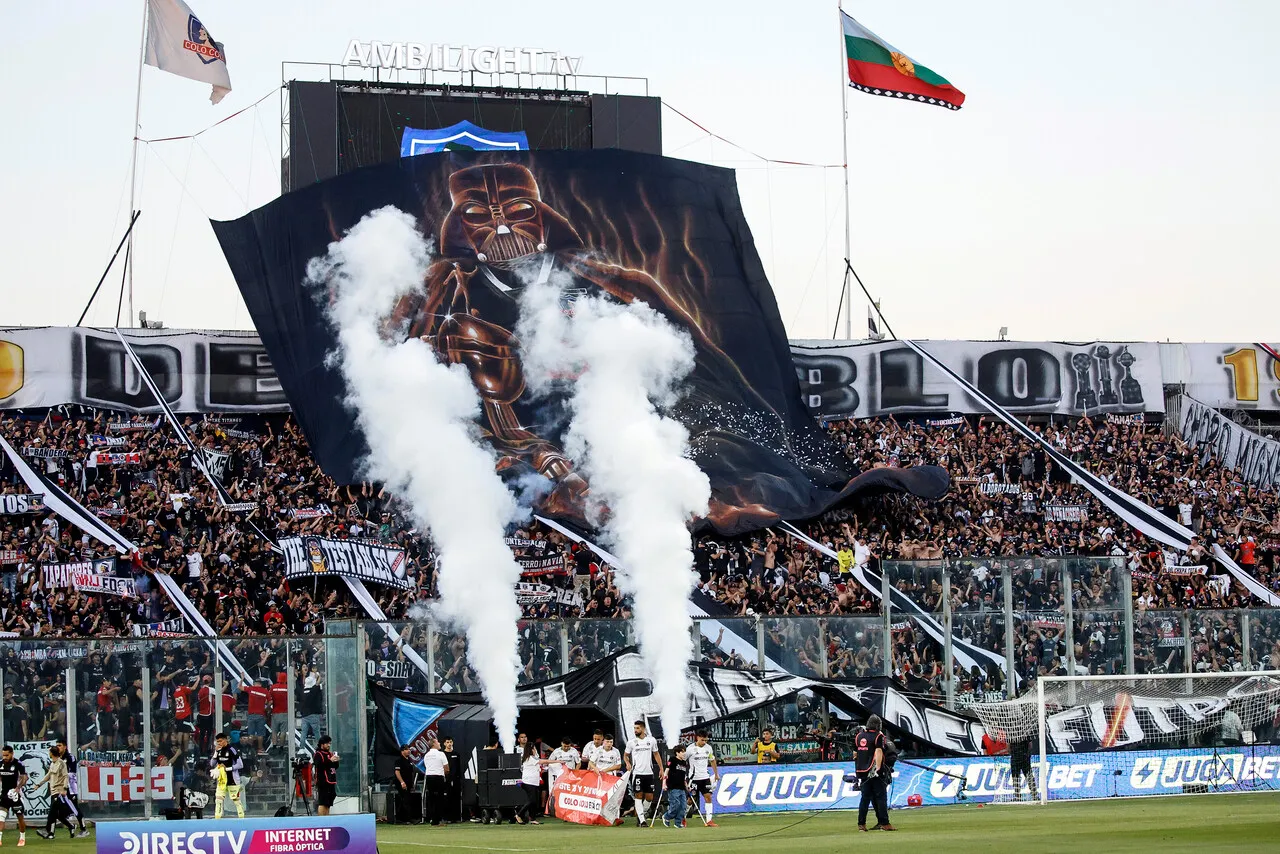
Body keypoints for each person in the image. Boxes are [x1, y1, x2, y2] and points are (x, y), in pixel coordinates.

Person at [854, 716, 893, 832]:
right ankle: (884, 823)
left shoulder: (859, 736)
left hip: (862, 771)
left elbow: (855, 754)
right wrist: (878, 769)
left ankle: (861, 824)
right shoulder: (878, 736)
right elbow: (878, 752)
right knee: (881, 797)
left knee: (865, 798)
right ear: (878, 725)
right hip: (874, 771)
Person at [624, 721, 662, 827]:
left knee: (649, 797)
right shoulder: (631, 742)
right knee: (638, 795)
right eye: (635, 728)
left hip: (649, 773)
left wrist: (661, 769)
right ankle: (642, 820)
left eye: (637, 728)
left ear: (643, 729)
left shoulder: (651, 740)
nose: (635, 730)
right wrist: (627, 762)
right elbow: (625, 755)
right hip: (637, 773)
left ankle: (641, 814)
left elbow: (656, 754)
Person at [33, 746, 75, 840]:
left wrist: (64, 789)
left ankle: (49, 832)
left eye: (49, 751)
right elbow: (48, 775)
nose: (49, 753)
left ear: (52, 753)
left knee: (52, 812)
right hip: (53, 791)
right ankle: (70, 826)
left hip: (59, 791)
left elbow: (65, 776)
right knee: (57, 815)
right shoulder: (53, 763)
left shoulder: (61, 763)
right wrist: (39, 784)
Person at [53, 740, 88, 837]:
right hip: (60, 788)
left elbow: (72, 774)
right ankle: (70, 826)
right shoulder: (57, 758)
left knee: (75, 809)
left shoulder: (70, 757)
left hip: (70, 788)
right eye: (56, 746)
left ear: (65, 747)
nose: (58, 747)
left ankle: (84, 829)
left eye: (59, 745)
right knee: (57, 812)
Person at [686, 730, 719, 826]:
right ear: (697, 738)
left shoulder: (708, 748)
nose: (704, 742)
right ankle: (682, 818)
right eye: (702, 740)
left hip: (705, 777)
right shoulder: (690, 749)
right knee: (690, 800)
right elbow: (683, 760)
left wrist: (716, 774)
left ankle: (709, 820)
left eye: (706, 740)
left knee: (708, 797)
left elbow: (712, 760)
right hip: (694, 778)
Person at [210, 733, 245, 819]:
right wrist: (215, 754)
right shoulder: (218, 750)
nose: (219, 743)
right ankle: (217, 818)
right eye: (217, 741)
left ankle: (242, 818)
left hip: (232, 778)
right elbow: (212, 764)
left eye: (221, 741)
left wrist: (227, 768)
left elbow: (240, 765)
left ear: (226, 740)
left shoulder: (232, 750)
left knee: (236, 800)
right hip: (221, 779)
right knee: (218, 799)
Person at [0, 745, 29, 847]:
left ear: (12, 754)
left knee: (20, 817)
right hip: (4, 795)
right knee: (1, 817)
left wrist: (18, 788)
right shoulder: (1, 764)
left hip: (15, 795)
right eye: (3, 755)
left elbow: (25, 777)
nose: (4, 757)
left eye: (7, 755)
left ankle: (22, 838)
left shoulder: (18, 764)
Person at [546, 737, 580, 817]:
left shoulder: (574, 751)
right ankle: (557, 811)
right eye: (565, 746)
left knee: (570, 793)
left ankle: (569, 812)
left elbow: (578, 763)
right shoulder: (556, 751)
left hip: (570, 776)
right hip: (559, 776)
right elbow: (550, 762)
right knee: (559, 793)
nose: (566, 748)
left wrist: (575, 772)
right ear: (561, 743)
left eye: (568, 746)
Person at [515, 740, 547, 826]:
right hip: (528, 782)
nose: (535, 750)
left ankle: (532, 818)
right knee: (531, 800)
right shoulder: (529, 758)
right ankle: (518, 815)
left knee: (534, 801)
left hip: (534, 782)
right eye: (533, 749)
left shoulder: (533, 757)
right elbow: (543, 762)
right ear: (530, 750)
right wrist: (557, 761)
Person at [661, 744, 688, 829]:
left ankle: (678, 822)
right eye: (682, 752)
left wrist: (686, 785)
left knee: (683, 806)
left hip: (682, 787)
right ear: (677, 753)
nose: (684, 753)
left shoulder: (684, 763)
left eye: (684, 752)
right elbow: (666, 771)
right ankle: (667, 816)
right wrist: (664, 783)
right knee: (675, 804)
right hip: (673, 786)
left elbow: (683, 776)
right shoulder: (672, 760)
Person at [393, 744, 421, 824]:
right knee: (405, 800)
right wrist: (402, 782)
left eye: (409, 749)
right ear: (402, 751)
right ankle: (408, 819)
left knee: (407, 800)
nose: (408, 750)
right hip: (402, 784)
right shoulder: (398, 761)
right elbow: (397, 772)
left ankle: (402, 819)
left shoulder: (409, 761)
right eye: (406, 749)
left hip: (408, 784)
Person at [313, 736, 339, 816]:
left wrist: (336, 761)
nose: (329, 745)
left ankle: (327, 818)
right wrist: (330, 760)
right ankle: (321, 820)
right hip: (323, 781)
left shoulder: (330, 754)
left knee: (328, 802)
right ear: (322, 744)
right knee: (323, 802)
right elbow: (320, 766)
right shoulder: (318, 754)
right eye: (327, 743)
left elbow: (334, 767)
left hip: (331, 780)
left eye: (330, 743)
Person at [1009, 733, 1037, 802]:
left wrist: (1013, 753)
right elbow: (1030, 745)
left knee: (1016, 777)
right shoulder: (1025, 733)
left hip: (1016, 758)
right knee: (1028, 776)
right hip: (1024, 757)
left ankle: (1018, 796)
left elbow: (1008, 747)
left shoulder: (1011, 734)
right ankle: (1034, 795)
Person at [441, 738, 462, 824]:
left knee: (456, 798)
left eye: (450, 742)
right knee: (447, 798)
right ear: (444, 744)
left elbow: (459, 767)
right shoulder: (442, 754)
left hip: (456, 779)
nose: (449, 744)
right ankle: (447, 817)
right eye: (447, 742)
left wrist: (459, 778)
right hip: (446, 779)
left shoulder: (456, 754)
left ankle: (456, 817)